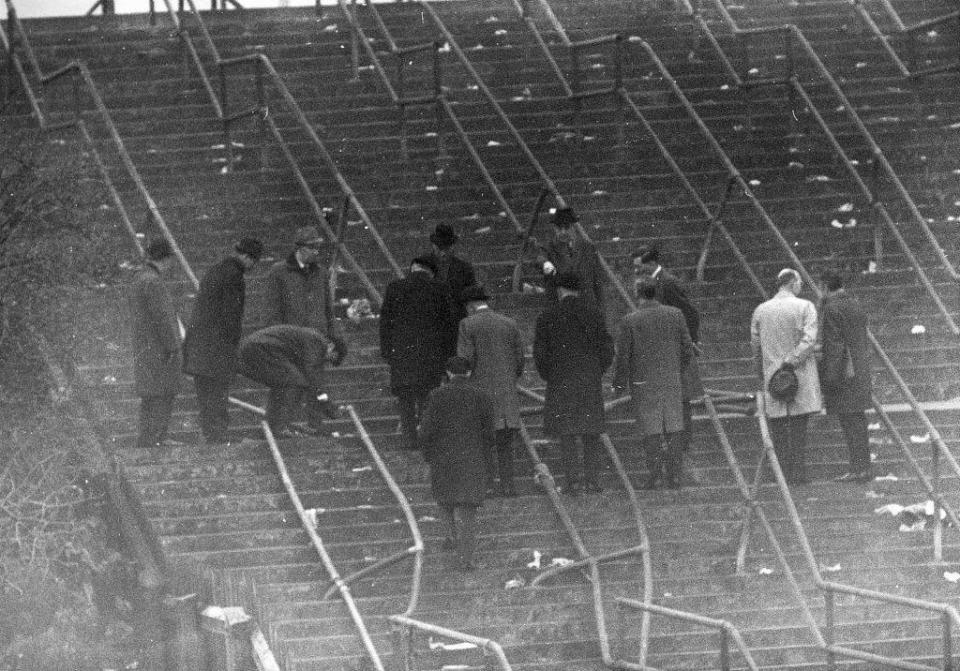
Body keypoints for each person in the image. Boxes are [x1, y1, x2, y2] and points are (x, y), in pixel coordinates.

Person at [533, 271, 614, 494]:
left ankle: (572, 482)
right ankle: (593, 481)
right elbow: (607, 349)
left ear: (559, 290)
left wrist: (552, 375)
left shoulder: (547, 316)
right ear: (578, 290)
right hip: (589, 381)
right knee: (591, 432)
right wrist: (596, 371)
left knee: (566, 433)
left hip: (561, 382)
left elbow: (540, 355)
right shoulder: (594, 314)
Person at [262, 225, 346, 433]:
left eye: (318, 247)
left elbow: (328, 308)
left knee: (316, 385)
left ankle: (315, 427)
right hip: (290, 339)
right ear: (300, 248)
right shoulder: (279, 272)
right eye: (312, 248)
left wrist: (333, 337)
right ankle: (279, 426)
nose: (317, 252)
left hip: (316, 339)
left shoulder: (321, 273)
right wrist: (277, 337)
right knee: (287, 383)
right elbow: (272, 308)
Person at [612, 278, 695, 489]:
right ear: (656, 293)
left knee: (651, 430)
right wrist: (675, 369)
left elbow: (623, 357)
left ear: (637, 294)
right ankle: (675, 476)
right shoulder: (676, 315)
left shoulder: (629, 321)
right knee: (674, 427)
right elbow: (687, 349)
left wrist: (619, 385)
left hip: (643, 382)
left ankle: (654, 475)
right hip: (671, 380)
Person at [182, 237, 263, 445]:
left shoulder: (215, 270)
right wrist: (231, 347)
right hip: (217, 347)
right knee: (217, 392)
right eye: (253, 261)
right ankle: (218, 435)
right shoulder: (234, 276)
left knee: (206, 393)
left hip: (200, 345)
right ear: (245, 257)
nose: (253, 266)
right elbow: (231, 317)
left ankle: (211, 433)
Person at [420, 356, 496, 571]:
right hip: (472, 459)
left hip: (443, 459)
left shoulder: (436, 396)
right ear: (470, 372)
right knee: (468, 509)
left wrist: (429, 456)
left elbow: (426, 431)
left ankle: (450, 536)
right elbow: (489, 434)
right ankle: (466, 559)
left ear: (448, 373)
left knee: (445, 499)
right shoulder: (482, 396)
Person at [751, 268, 823, 485]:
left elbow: (756, 346)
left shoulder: (761, 310)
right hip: (798, 373)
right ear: (793, 283)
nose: (801, 286)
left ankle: (782, 474)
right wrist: (792, 360)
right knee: (800, 427)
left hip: (773, 376)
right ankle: (798, 474)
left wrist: (763, 372)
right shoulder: (805, 307)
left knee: (780, 428)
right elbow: (809, 340)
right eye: (799, 282)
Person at [632, 244, 704, 456]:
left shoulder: (668, 282)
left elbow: (690, 313)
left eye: (640, 268)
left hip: (674, 351)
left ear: (652, 264)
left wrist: (691, 341)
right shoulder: (648, 283)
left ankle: (681, 446)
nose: (637, 272)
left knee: (680, 399)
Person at [379, 256, 457, 450]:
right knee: (427, 398)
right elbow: (449, 326)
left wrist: (388, 353)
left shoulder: (394, 288)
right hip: (431, 358)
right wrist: (448, 357)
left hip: (402, 357)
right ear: (430, 271)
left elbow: (385, 324)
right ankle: (426, 439)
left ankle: (409, 440)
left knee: (405, 399)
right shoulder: (440, 288)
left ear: (413, 268)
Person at [456, 285, 526, 496]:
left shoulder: (467, 325)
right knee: (505, 443)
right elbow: (520, 360)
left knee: (484, 443)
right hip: (506, 393)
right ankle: (509, 486)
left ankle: (488, 485)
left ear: (469, 305)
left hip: (481, 393)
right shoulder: (509, 324)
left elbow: (464, 361)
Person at [127, 238, 183, 449]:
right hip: (159, 351)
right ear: (166, 259)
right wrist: (173, 347)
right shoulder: (153, 282)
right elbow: (163, 319)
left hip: (145, 349)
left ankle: (148, 440)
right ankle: (156, 440)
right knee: (162, 394)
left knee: (151, 396)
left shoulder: (139, 279)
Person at [818, 270, 873, 483]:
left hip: (843, 376)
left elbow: (835, 347)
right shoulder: (855, 304)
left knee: (850, 424)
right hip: (860, 371)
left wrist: (829, 380)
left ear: (824, 286)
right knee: (858, 422)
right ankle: (863, 468)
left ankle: (857, 469)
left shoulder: (831, 308)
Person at [237, 325, 340, 438]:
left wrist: (324, 403)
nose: (326, 361)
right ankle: (278, 428)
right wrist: (326, 403)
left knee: (286, 383)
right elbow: (311, 376)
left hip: (259, 348)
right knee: (295, 382)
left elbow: (314, 381)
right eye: (330, 358)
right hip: (260, 348)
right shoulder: (317, 343)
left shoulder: (313, 342)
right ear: (331, 346)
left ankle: (274, 427)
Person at [537, 207, 606, 315]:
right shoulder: (548, 248)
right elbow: (540, 258)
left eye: (566, 227)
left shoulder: (588, 247)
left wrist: (601, 312)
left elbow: (597, 281)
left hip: (586, 307)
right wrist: (545, 263)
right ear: (554, 228)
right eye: (559, 228)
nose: (563, 232)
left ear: (573, 227)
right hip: (561, 310)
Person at [425, 223, 476, 327]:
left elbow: (472, 297)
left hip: (456, 323)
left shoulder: (464, 268)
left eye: (447, 247)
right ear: (433, 245)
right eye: (440, 248)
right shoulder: (422, 266)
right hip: (430, 323)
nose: (443, 252)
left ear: (453, 246)